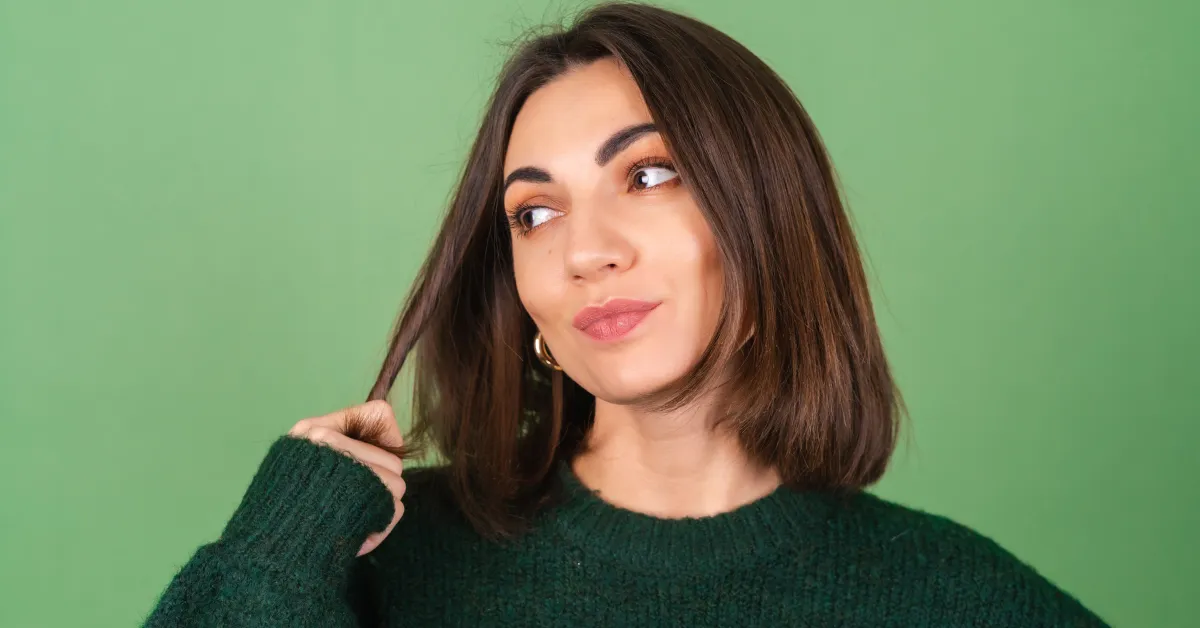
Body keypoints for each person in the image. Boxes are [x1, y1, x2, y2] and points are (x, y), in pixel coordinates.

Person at [144, 2, 1107, 626]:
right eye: (535, 212)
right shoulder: (383, 567)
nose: (583, 249)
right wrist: (280, 543)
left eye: (647, 174)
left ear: (766, 217)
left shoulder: (951, 597)